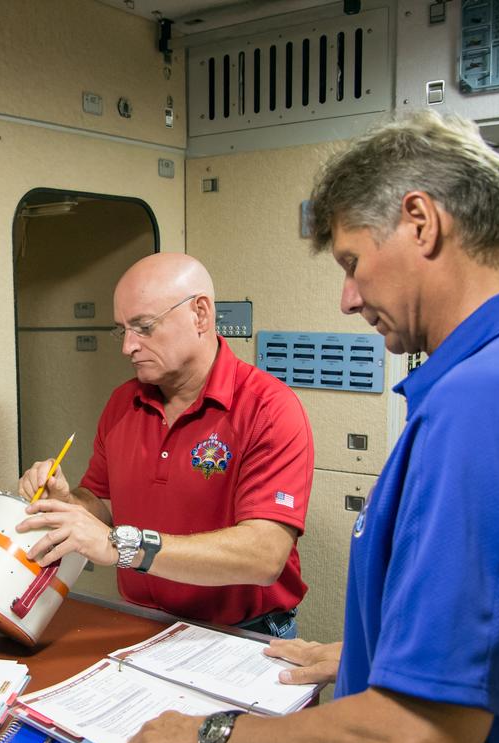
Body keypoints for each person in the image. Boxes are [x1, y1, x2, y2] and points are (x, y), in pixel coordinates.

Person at [122, 111, 499, 743]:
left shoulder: (489, 404)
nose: (346, 298)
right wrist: (369, 654)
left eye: (348, 262)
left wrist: (209, 735)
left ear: (418, 222)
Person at [17, 252, 314, 636]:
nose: (128, 347)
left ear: (201, 315)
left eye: (143, 326)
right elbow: (103, 504)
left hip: (242, 634)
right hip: (146, 625)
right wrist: (69, 502)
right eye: (121, 330)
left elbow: (264, 555)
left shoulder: (268, 408)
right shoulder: (123, 403)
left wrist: (122, 546)